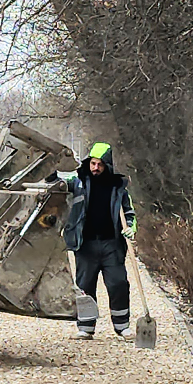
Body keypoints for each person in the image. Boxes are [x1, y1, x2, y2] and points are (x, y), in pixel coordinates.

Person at [61, 141, 137, 340]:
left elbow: (129, 212)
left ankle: (122, 326)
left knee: (118, 283)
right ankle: (86, 327)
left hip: (112, 244)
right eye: (93, 164)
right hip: (85, 244)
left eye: (100, 165)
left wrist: (130, 227)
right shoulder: (77, 182)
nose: (96, 168)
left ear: (107, 166)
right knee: (85, 286)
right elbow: (58, 185)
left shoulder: (118, 187)